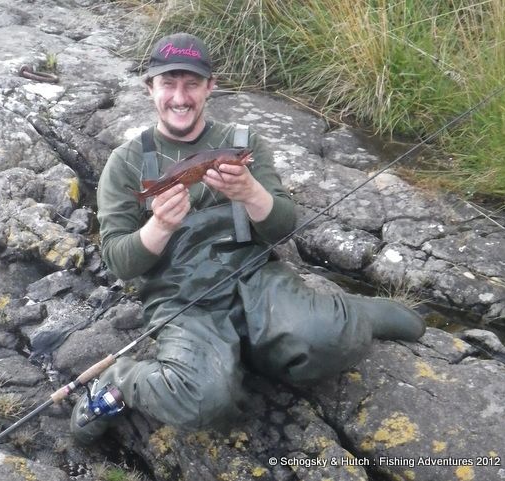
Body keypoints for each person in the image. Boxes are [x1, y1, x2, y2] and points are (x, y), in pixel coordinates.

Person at [70, 32, 425, 442]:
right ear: (150, 88)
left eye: (192, 84)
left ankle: (350, 314)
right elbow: (118, 261)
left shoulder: (244, 143)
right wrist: (160, 226)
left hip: (257, 277)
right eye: (169, 83)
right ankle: (122, 380)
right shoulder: (126, 163)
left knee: (327, 339)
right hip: (182, 300)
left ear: (210, 86)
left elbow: (283, 227)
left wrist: (251, 193)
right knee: (204, 401)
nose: (180, 97)